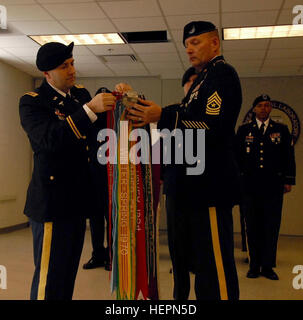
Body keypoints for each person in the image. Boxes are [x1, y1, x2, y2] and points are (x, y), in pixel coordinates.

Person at [125, 21, 242, 300]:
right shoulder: (201, 81)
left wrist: (163, 116)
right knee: (201, 269)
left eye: (196, 42)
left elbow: (211, 127)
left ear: (215, 42)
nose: (189, 49)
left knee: (215, 270)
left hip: (209, 189)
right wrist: (140, 107)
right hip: (191, 191)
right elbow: (182, 119)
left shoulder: (222, 75)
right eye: (187, 44)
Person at [19, 41, 116, 300]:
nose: (72, 70)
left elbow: (97, 135)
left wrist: (117, 101)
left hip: (76, 203)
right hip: (51, 205)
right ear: (48, 74)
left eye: (72, 63)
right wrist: (90, 110)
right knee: (49, 281)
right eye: (64, 66)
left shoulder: (80, 97)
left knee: (66, 279)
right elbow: (50, 139)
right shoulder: (33, 103)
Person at [236, 94, 296, 280]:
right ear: (254, 109)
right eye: (260, 105)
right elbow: (237, 158)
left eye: (267, 105)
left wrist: (288, 180)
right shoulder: (244, 130)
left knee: (271, 226)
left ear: (271, 109)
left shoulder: (281, 129)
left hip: (273, 186)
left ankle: (268, 266)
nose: (263, 108)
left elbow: (288, 156)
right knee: (252, 226)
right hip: (250, 187)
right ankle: (254, 265)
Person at [163, 67, 197, 289]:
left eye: (199, 83)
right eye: (191, 82)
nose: (195, 87)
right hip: (176, 186)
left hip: (203, 189)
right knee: (177, 241)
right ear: (184, 86)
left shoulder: (211, 115)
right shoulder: (170, 112)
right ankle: (180, 290)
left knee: (201, 245)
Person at [83, 87, 111, 271]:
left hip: (111, 180)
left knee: (111, 219)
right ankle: (97, 254)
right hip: (92, 178)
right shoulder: (88, 122)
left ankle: (111, 256)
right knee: (95, 220)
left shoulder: (114, 123)